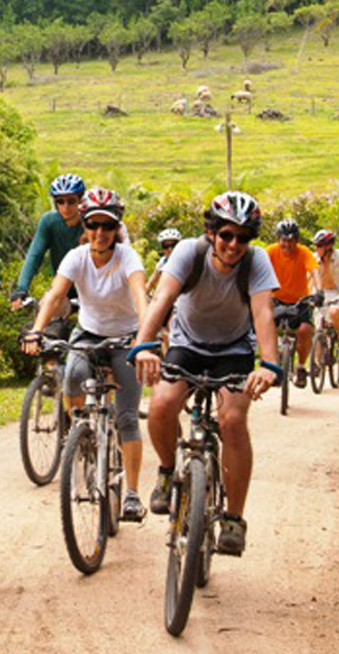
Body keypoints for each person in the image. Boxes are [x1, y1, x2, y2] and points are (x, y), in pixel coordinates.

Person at [131, 191, 281, 556]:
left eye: (243, 237)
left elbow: (263, 313)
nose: (234, 245)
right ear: (211, 232)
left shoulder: (256, 261)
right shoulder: (188, 252)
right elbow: (163, 298)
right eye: (227, 235)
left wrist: (269, 365)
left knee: (232, 419)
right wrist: (144, 345)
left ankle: (233, 518)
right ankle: (167, 471)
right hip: (189, 344)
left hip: (234, 348)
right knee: (163, 404)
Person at [20, 187, 150, 522]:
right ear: (85, 228)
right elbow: (54, 294)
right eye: (93, 225)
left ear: (117, 228)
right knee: (73, 378)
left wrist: (145, 339)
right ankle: (81, 430)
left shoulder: (128, 258)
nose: (100, 233)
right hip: (88, 332)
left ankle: (132, 493)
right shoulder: (76, 258)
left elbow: (139, 295)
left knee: (127, 418)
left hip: (125, 336)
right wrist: (37, 329)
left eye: (108, 226)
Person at [10, 173, 86, 309]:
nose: (66, 207)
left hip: (91, 293)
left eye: (71, 201)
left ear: (80, 200)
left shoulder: (91, 224)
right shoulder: (49, 222)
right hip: (62, 290)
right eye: (60, 201)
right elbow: (35, 255)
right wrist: (21, 289)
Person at [266, 219, 320, 388]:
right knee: (267, 328)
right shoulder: (270, 252)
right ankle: (273, 365)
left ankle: (301, 367)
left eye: (290, 241)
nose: (287, 244)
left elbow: (314, 271)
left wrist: (319, 291)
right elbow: (257, 270)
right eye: (283, 240)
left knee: (305, 330)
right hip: (275, 298)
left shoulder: (304, 252)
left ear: (297, 240)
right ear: (278, 239)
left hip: (299, 300)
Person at [312, 228, 339, 346]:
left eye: (319, 246)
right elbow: (308, 276)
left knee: (334, 311)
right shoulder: (314, 258)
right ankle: (316, 363)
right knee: (318, 328)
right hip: (321, 293)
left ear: (328, 246)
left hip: (338, 292)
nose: (317, 249)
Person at [146, 228, 182, 297]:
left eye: (173, 245)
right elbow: (151, 282)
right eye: (166, 246)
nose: (170, 249)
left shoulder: (186, 259)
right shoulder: (163, 262)